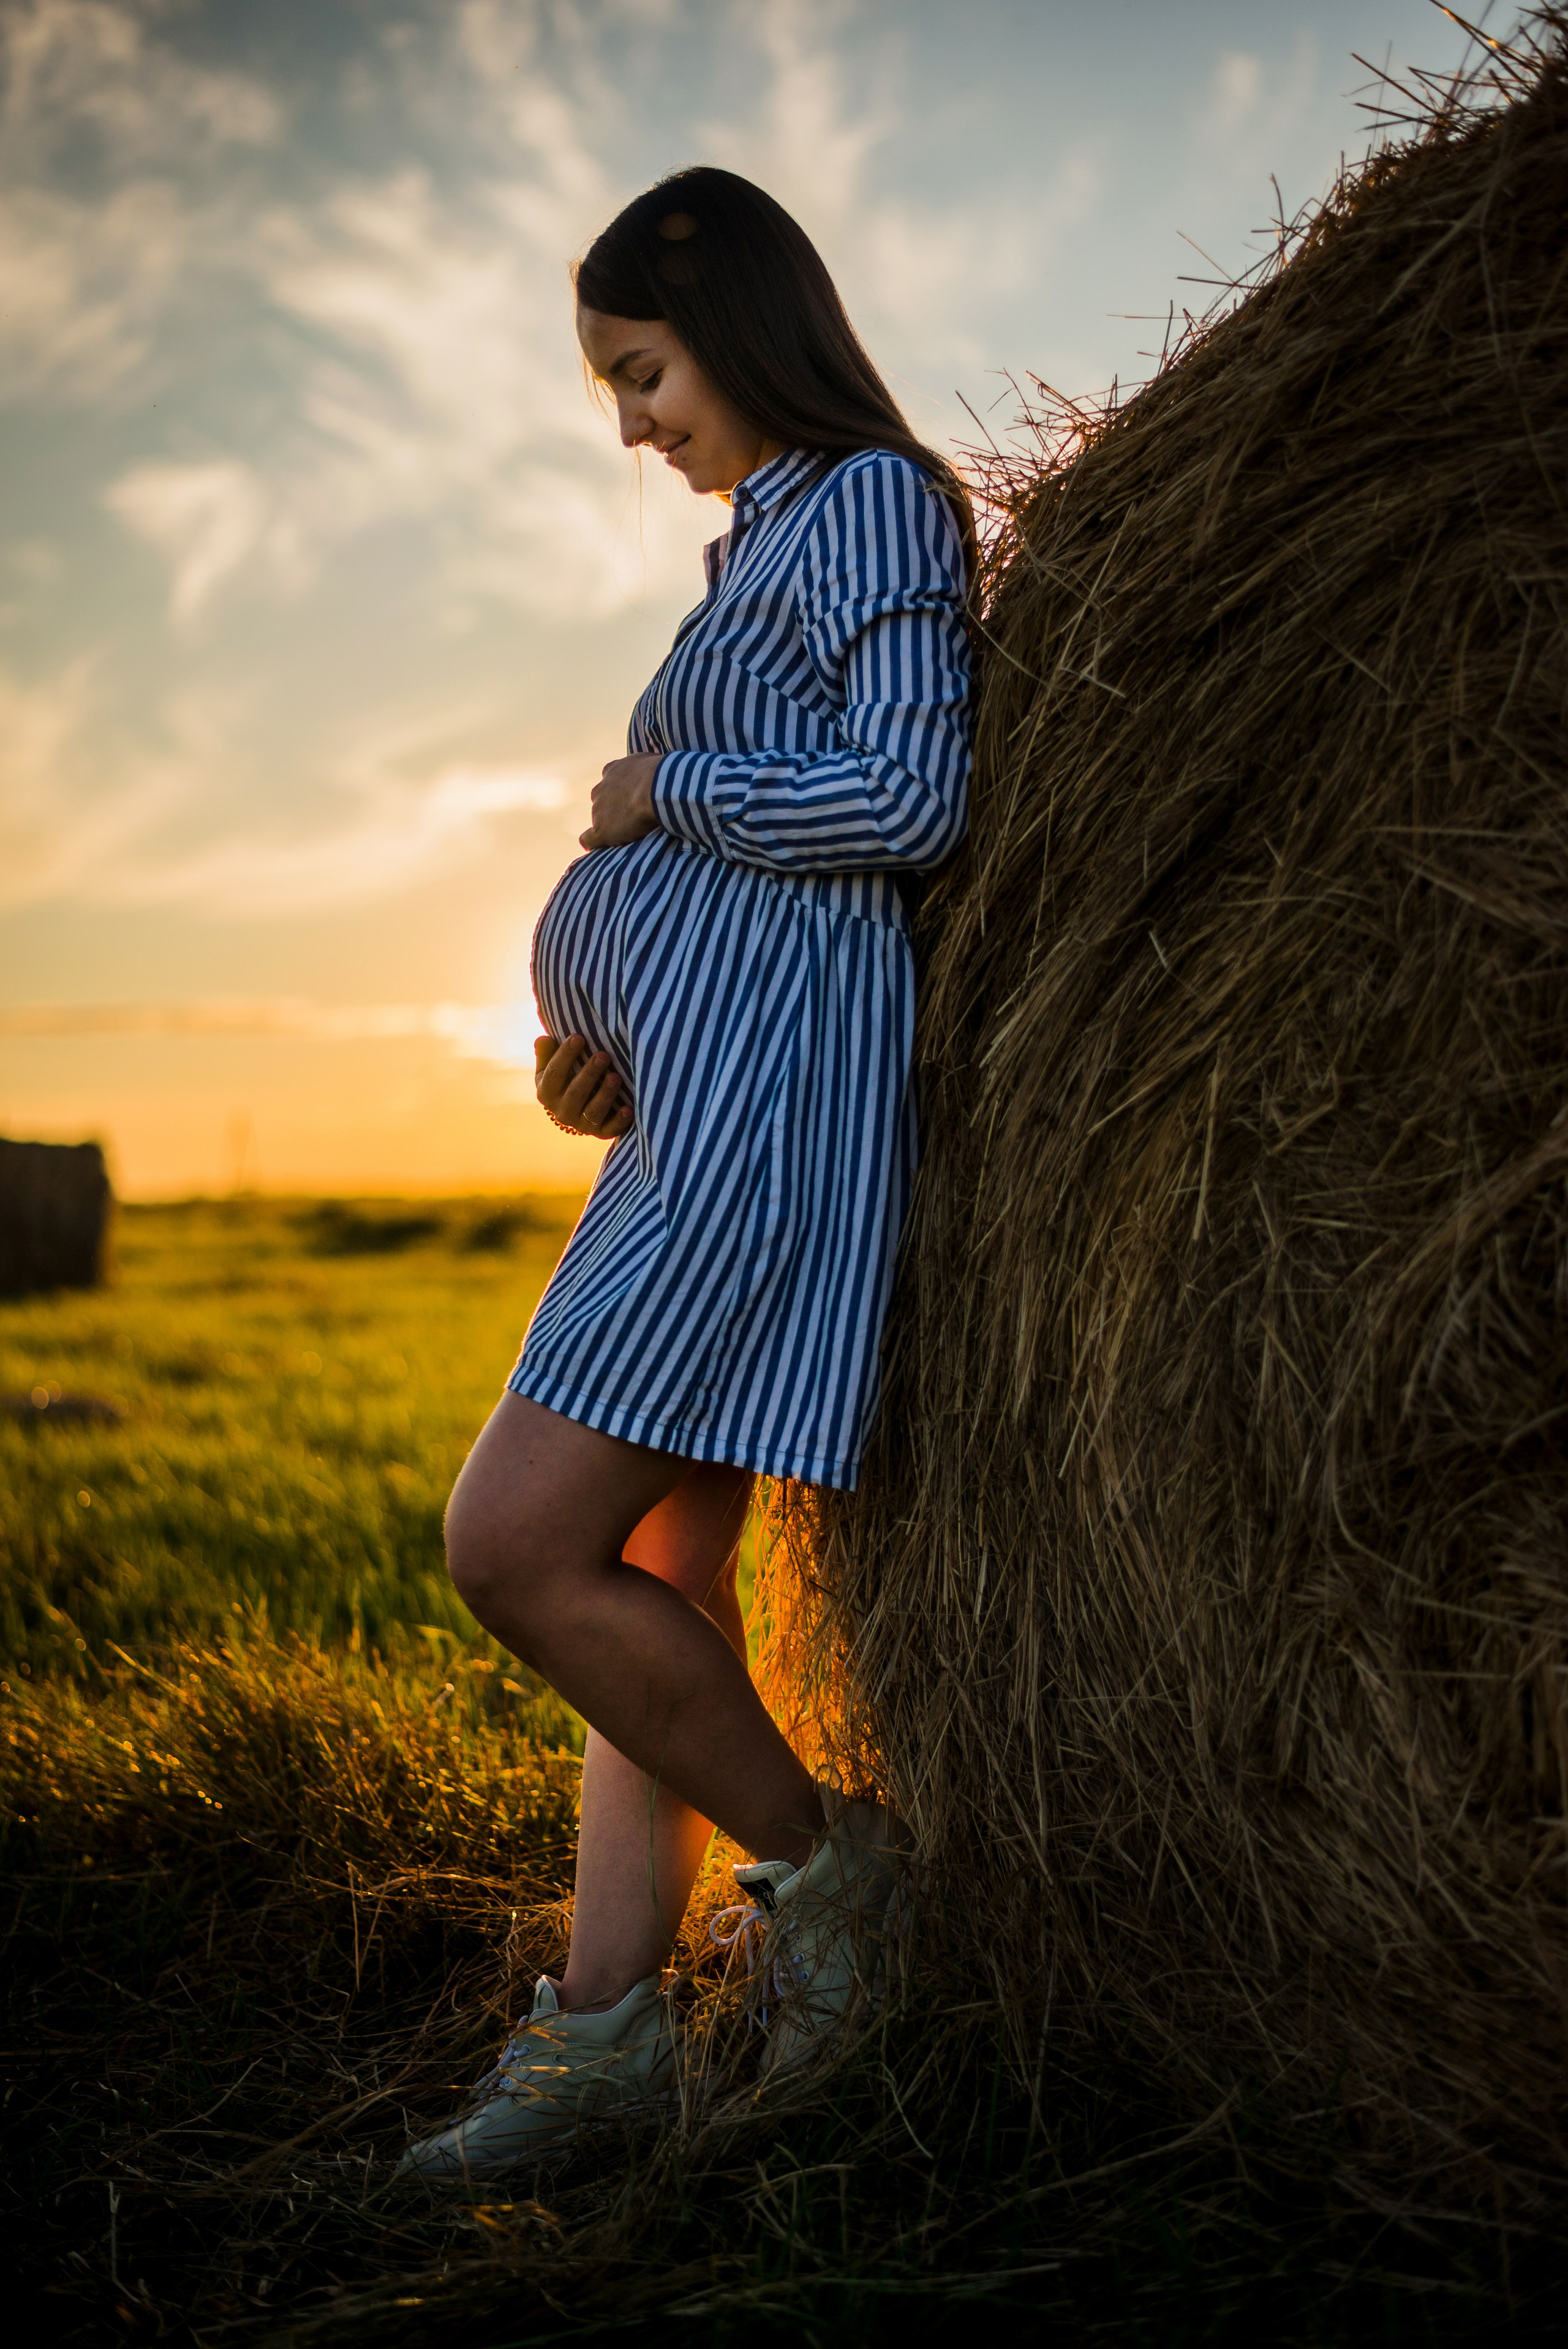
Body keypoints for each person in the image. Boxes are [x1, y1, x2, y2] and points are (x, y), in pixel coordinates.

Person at [399, 166, 972, 2182]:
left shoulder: (879, 503)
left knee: (510, 1544)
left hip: (762, 1135)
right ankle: (606, 2032)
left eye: (639, 374)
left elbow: (909, 792)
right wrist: (600, 1032)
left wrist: (664, 792)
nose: (634, 426)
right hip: (687, 1107)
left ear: (732, 319)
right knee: (650, 1577)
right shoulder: (765, 551)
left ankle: (833, 1884)